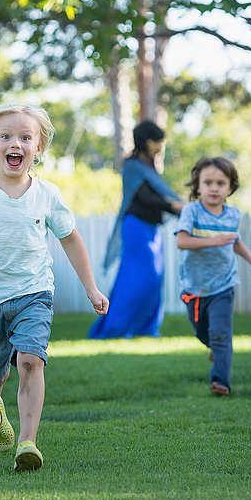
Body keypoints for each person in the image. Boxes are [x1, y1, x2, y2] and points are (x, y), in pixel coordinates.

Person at [0, 103, 109, 472]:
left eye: (25, 137)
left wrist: (91, 289)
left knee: (31, 360)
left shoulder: (47, 194)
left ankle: (27, 442)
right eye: (6, 136)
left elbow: (71, 240)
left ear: (38, 147)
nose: (15, 143)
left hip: (34, 293)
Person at [176, 157, 251, 396]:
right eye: (208, 182)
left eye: (221, 183)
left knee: (221, 333)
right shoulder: (191, 211)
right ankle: (214, 347)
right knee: (201, 331)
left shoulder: (233, 215)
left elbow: (236, 242)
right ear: (198, 186)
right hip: (194, 286)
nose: (214, 188)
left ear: (230, 187)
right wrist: (214, 240)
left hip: (224, 284)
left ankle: (221, 381)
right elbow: (182, 241)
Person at [88, 120, 183, 339]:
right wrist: (173, 205)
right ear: (145, 141)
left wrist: (177, 206)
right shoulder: (132, 166)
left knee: (154, 278)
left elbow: (159, 195)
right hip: (136, 229)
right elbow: (146, 197)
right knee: (138, 279)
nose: (159, 146)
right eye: (155, 141)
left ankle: (146, 328)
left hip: (152, 230)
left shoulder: (151, 167)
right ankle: (116, 328)